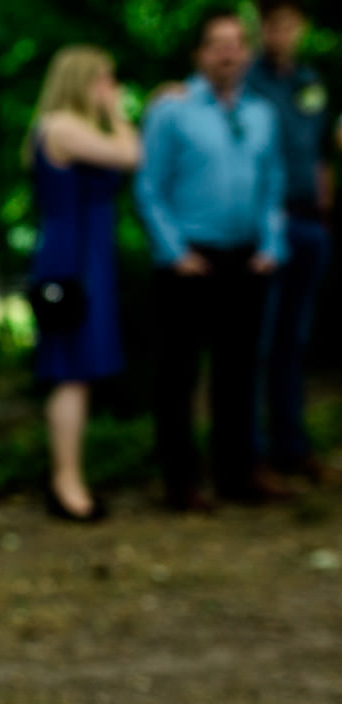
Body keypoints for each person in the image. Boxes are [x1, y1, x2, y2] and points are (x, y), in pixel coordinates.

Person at [135, 8, 286, 511]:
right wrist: (174, 251)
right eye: (217, 44)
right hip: (189, 262)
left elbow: (273, 185)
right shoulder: (171, 110)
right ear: (201, 53)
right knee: (178, 376)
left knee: (240, 371)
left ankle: (238, 473)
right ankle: (182, 483)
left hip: (248, 260)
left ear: (246, 51)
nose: (227, 52)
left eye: (236, 43)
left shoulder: (262, 113)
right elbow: (149, 186)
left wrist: (272, 243)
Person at [23, 46, 139, 521]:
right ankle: (66, 483)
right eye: (103, 79)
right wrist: (117, 112)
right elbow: (131, 154)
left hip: (86, 259)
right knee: (71, 370)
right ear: (81, 80)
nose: (109, 88)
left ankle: (70, 478)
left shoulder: (68, 127)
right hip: (70, 263)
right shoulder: (62, 126)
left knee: (80, 373)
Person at [247, 0, 332, 483]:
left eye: (289, 25)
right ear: (261, 28)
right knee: (260, 340)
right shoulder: (248, 81)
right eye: (272, 25)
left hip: (309, 222)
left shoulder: (311, 83)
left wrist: (324, 212)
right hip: (266, 224)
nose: (281, 34)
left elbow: (320, 152)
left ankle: (292, 446)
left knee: (294, 342)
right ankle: (253, 454)